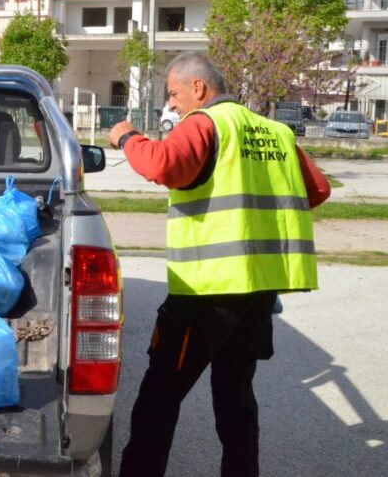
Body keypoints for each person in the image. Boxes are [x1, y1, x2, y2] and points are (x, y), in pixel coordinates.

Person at [108, 52, 330, 477]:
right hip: (258, 292)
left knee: (160, 396)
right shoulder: (275, 131)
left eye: (173, 94)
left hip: (207, 291)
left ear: (198, 88)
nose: (171, 105)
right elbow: (316, 190)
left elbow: (162, 165)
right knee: (235, 398)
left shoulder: (206, 123)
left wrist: (126, 137)